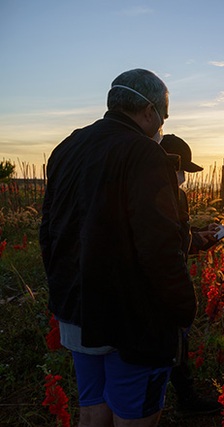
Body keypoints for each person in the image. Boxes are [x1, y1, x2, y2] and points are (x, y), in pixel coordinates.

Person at [39, 69, 197, 427]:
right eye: (164, 116)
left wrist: (63, 290)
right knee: (134, 414)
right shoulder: (145, 154)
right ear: (147, 111)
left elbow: (48, 230)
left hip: (77, 311)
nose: (162, 125)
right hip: (130, 320)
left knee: (93, 410)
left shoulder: (69, 146)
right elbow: (159, 246)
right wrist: (182, 306)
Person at [159, 134, 223, 415]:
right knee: (173, 339)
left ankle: (183, 396)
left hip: (161, 277)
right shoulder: (170, 194)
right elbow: (170, 242)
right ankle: (184, 401)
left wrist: (199, 236)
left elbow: (177, 236)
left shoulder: (150, 191)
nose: (183, 175)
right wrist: (199, 240)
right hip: (167, 281)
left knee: (174, 341)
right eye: (180, 168)